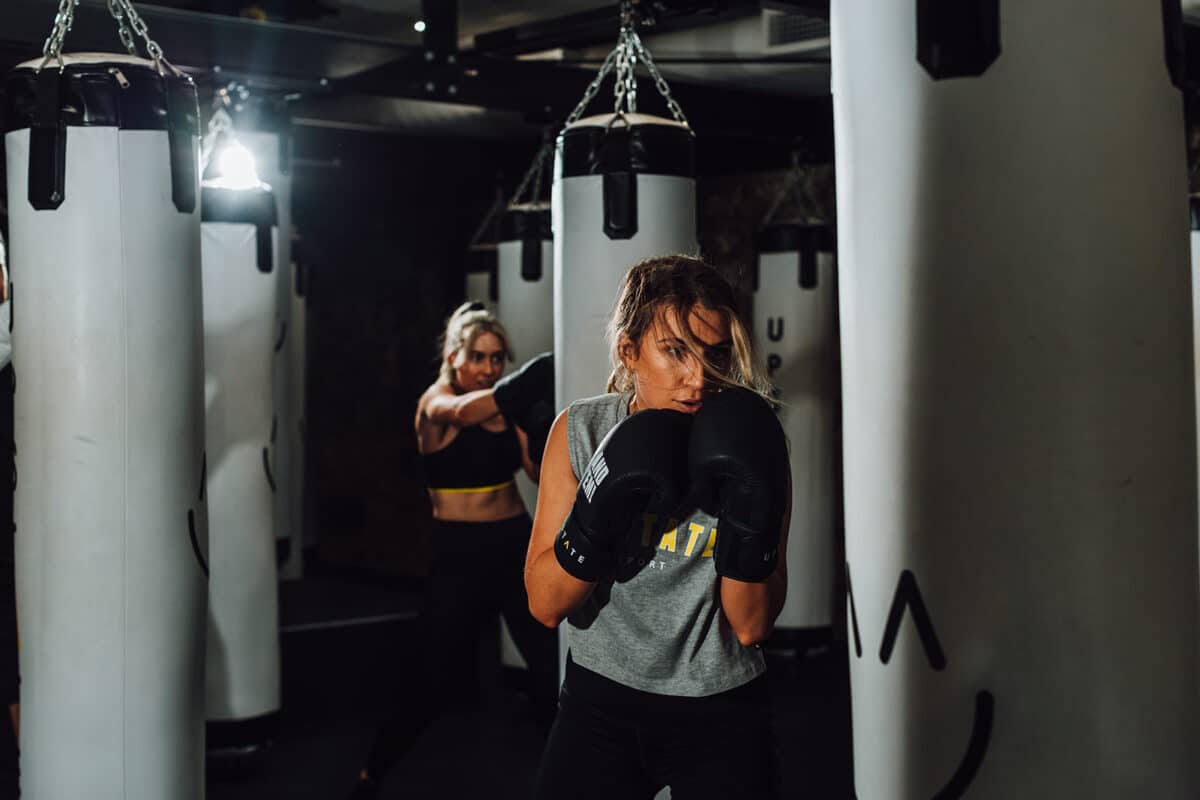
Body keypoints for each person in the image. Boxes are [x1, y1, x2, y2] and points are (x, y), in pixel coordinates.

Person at [525, 255, 791, 800]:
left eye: (715, 356)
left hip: (721, 708)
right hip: (600, 703)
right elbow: (545, 605)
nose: (698, 379)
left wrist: (751, 508)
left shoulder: (752, 442)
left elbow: (751, 626)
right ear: (629, 351)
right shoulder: (581, 430)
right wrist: (599, 515)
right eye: (676, 352)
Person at [347, 301, 558, 799]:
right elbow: (464, 412)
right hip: (459, 556)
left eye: (498, 358)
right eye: (479, 357)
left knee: (555, 666)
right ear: (453, 356)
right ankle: (369, 776)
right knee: (431, 682)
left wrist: (543, 424)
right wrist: (530, 380)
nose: (489, 368)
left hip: (513, 544)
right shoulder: (436, 404)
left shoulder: (505, 409)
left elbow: (533, 472)